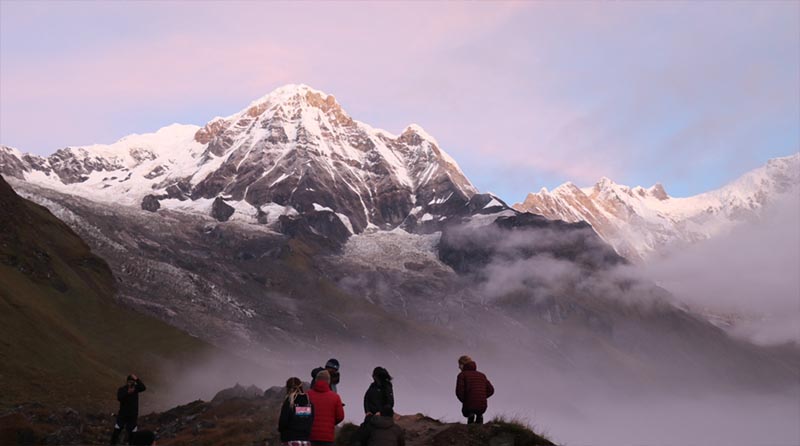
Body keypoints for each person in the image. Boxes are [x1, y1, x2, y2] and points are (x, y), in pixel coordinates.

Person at [306, 370, 344, 446]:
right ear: (329, 381)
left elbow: (301, 415)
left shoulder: (307, 395)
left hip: (310, 436)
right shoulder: (335, 397)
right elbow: (340, 416)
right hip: (327, 437)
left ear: (316, 380)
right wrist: (330, 422)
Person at [455, 356, 494, 424]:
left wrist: (465, 400)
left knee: (469, 413)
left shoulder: (462, 375)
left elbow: (459, 391)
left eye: (459, 365)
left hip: (469, 404)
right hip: (482, 405)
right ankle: (479, 421)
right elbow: (491, 390)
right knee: (479, 414)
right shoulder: (482, 375)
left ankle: (470, 425)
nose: (459, 367)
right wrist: (482, 397)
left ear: (463, 364)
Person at [110, 373, 146, 445]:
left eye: (132, 382)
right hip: (122, 415)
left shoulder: (136, 389)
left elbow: (143, 388)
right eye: (129, 382)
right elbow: (119, 398)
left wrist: (137, 379)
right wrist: (127, 392)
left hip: (132, 416)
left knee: (132, 435)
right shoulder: (122, 389)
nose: (131, 384)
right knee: (116, 432)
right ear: (127, 382)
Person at [278, 377, 314, 446]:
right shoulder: (309, 403)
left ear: (288, 388)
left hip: (290, 440)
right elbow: (310, 421)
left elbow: (282, 423)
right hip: (305, 441)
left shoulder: (289, 402)